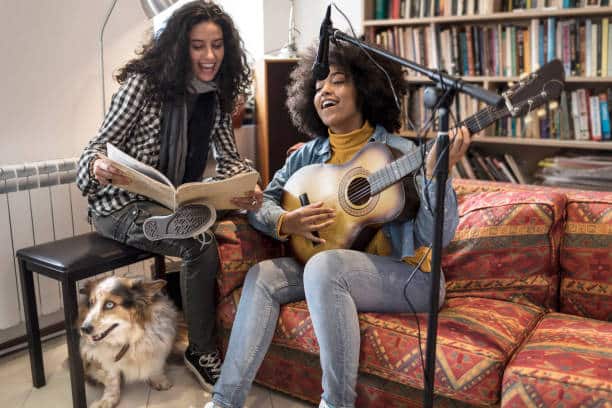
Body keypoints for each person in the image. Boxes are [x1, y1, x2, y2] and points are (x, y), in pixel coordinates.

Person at [206, 40, 471, 408]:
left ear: (364, 88)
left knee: (324, 266)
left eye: (337, 81)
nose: (324, 91)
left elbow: (436, 238)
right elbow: (260, 202)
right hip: (330, 268)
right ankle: (224, 402)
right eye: (316, 86)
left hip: (411, 277)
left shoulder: (403, 153)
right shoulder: (309, 154)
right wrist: (285, 221)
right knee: (264, 276)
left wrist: (434, 179)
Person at [76, 1, 262, 391]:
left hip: (169, 204)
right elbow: (94, 148)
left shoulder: (216, 95)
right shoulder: (143, 85)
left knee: (208, 229)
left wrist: (245, 185)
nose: (209, 56)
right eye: (198, 46)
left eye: (217, 45)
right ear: (180, 47)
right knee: (198, 240)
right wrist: (96, 166)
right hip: (119, 206)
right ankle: (201, 348)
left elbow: (228, 158)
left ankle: (176, 223)